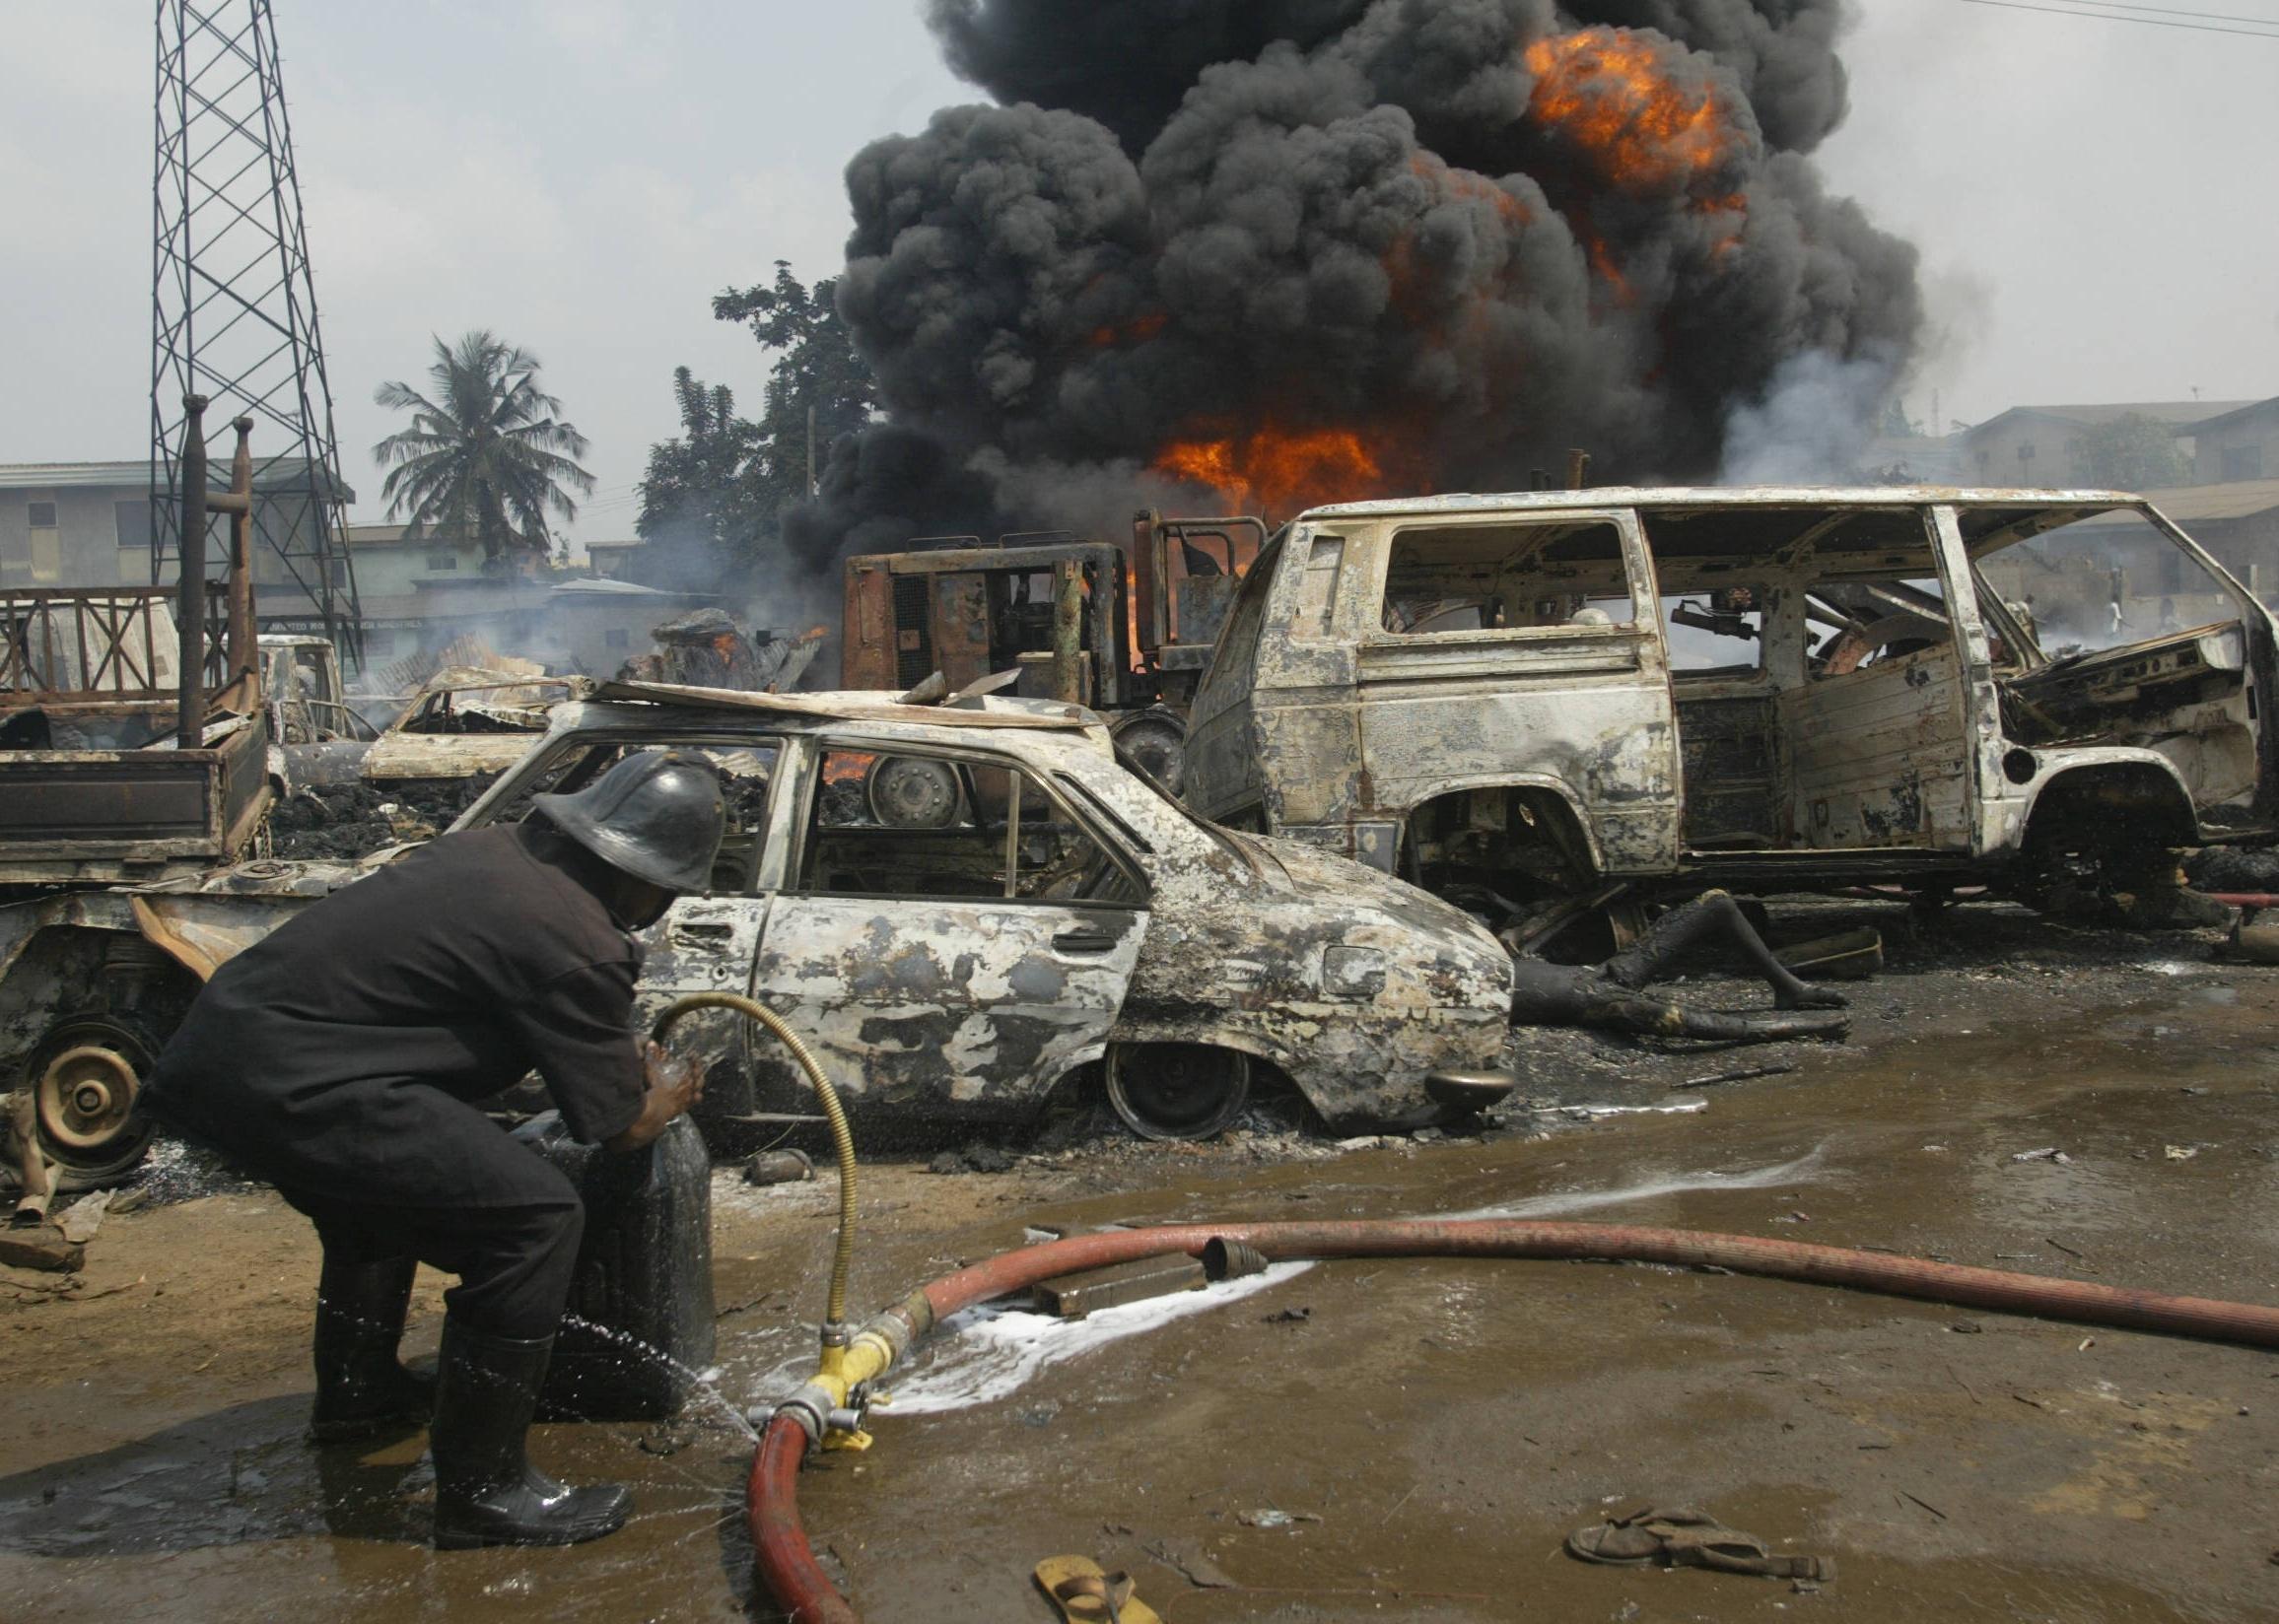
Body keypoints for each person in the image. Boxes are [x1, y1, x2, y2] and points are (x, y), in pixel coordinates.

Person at [140, 750, 726, 1549]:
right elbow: (614, 1127)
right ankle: (485, 1492)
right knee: (535, 1220)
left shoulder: (493, 855)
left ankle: (360, 1393)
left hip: (228, 1053)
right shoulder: (577, 932)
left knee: (377, 1204)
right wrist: (664, 1098)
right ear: (648, 873)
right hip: (298, 1079)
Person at [1510, 890, 1850, 1043]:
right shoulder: (1461, 997)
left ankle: (1789, 987)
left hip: (1601, 975)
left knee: (1716, 902)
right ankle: (1788, 1027)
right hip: (1594, 1002)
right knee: (1676, 1019)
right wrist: (1808, 1028)